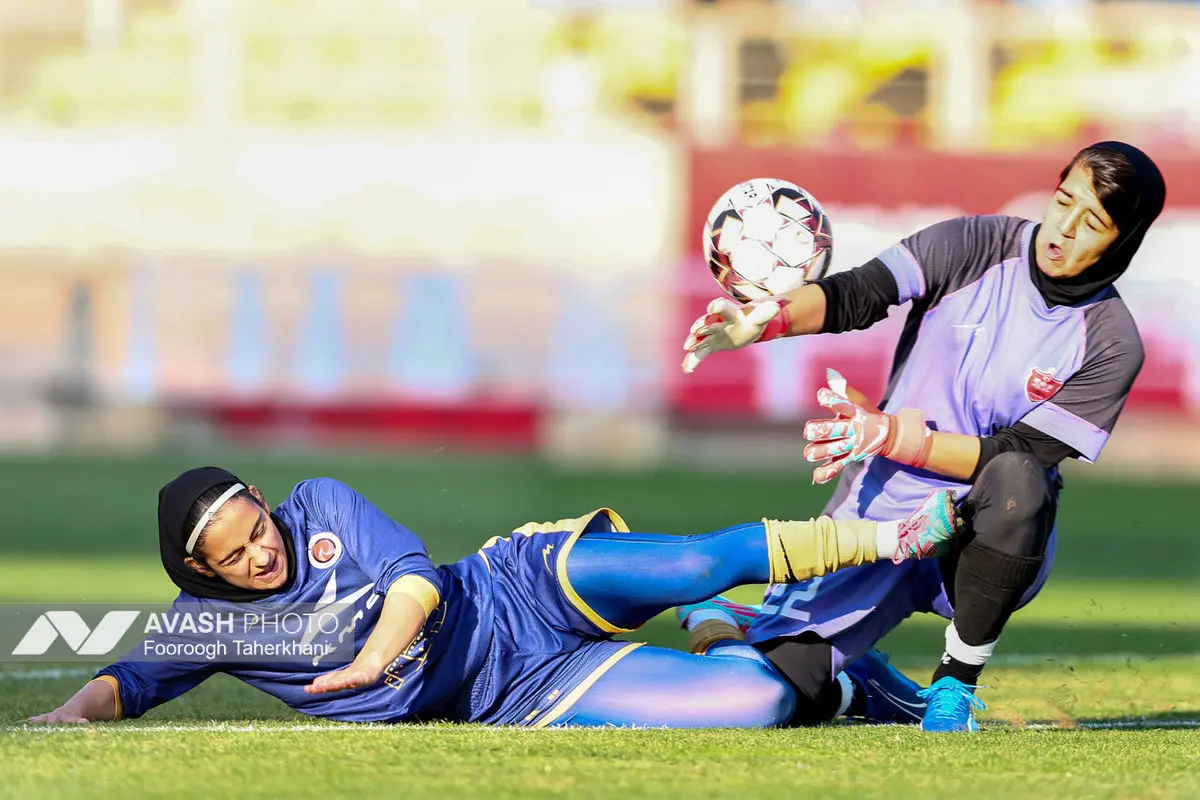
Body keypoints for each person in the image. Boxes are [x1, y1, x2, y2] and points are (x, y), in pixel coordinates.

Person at [679, 141, 1166, 732]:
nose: (1064, 227)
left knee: (1020, 479)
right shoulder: (973, 244)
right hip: (882, 512)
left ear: (1123, 239)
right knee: (765, 696)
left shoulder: (1112, 341)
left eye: (1092, 222)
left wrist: (890, 436)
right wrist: (767, 321)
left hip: (987, 533)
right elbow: (860, 293)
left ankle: (955, 685)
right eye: (1063, 201)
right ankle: (854, 683)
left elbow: (1016, 455)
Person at [29, 466, 961, 728]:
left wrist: (369, 661)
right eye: (235, 558)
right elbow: (130, 681)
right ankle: (766, 648)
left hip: (516, 588)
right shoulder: (206, 626)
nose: (262, 552)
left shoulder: (320, 505)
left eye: (258, 528)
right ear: (203, 577)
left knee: (691, 565)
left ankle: (892, 538)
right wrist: (72, 714)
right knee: (755, 703)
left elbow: (415, 581)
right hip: (515, 694)